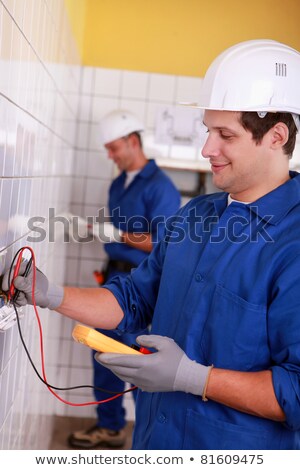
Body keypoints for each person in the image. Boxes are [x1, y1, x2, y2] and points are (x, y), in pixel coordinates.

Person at [3, 39, 300, 450]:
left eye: (225, 135)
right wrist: (49, 294)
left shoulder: (292, 243)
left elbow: (297, 392)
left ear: (276, 136)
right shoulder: (197, 214)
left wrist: (193, 378)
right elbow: (134, 300)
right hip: (152, 441)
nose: (206, 149)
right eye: (208, 131)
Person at [69, 110, 181, 448]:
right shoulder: (119, 182)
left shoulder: (161, 187)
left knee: (132, 360)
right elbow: (118, 237)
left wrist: (118, 233)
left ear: (133, 142)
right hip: (114, 276)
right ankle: (111, 426)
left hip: (141, 285)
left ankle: (148, 436)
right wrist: (98, 234)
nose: (110, 155)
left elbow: (162, 243)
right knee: (103, 355)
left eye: (114, 148)